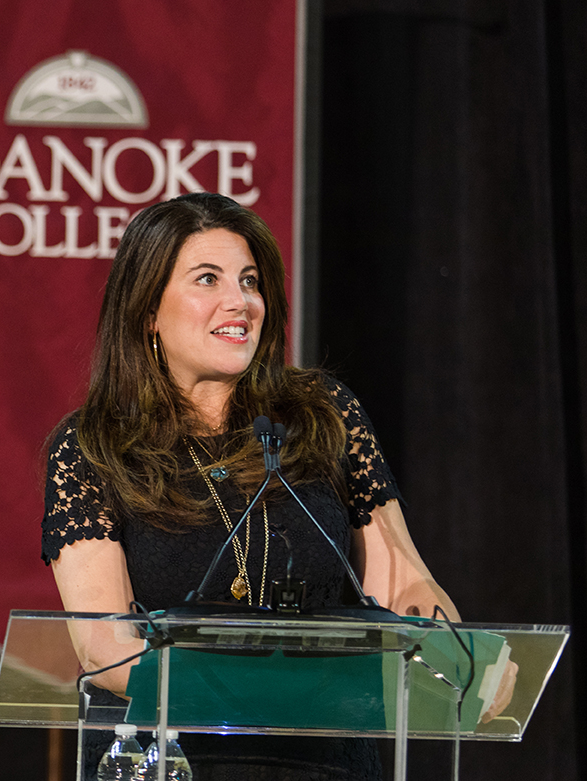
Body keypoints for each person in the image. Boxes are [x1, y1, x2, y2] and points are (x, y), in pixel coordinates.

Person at [40, 192, 500, 780]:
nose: (240, 302)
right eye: (208, 279)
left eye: (250, 281)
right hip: (176, 761)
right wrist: (269, 696)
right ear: (146, 310)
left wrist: (457, 656)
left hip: (323, 762)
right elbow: (104, 648)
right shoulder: (91, 447)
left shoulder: (321, 415)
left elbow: (404, 582)